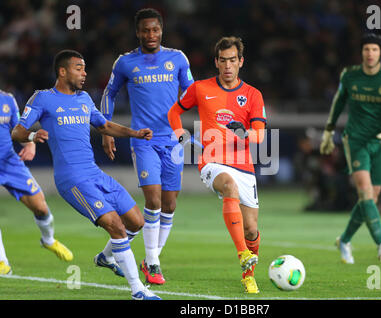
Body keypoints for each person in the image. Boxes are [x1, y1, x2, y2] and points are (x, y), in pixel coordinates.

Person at [11, 49, 160, 300]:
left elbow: (105, 126)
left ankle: (106, 257)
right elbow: (17, 131)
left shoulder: (85, 100)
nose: (84, 73)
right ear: (62, 71)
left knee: (137, 221)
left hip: (94, 172)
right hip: (72, 179)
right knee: (116, 226)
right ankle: (138, 291)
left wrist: (135, 133)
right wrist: (34, 136)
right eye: (78, 68)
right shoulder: (43, 99)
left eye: (84, 68)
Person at [100, 8, 194, 285]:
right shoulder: (126, 62)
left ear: (161, 30)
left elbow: (191, 91)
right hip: (145, 139)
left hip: (172, 140)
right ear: (137, 32)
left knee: (170, 204)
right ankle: (152, 262)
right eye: (145, 30)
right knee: (152, 200)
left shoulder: (177, 58)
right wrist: (106, 130)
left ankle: (136, 256)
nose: (150, 35)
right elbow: (109, 93)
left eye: (155, 29)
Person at [167, 36, 266, 294]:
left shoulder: (253, 95)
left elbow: (260, 135)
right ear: (216, 62)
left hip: (243, 164)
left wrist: (245, 133)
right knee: (229, 187)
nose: (227, 66)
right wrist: (179, 132)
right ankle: (242, 252)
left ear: (241, 62)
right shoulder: (200, 88)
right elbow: (174, 112)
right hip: (212, 161)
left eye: (232, 60)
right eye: (223, 60)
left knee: (252, 229)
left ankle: (248, 276)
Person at [320, 33, 381, 264]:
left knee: (372, 197)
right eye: (367, 49)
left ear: (380, 53)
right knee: (365, 193)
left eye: (375, 50)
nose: (370, 54)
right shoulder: (349, 76)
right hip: (355, 140)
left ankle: (345, 240)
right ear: (362, 53)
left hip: (380, 142)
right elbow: (338, 102)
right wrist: (329, 130)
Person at [0, 90, 73, 275]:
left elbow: (19, 129)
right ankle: (2, 262)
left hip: (9, 162)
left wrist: (30, 143)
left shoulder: (8, 99)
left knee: (40, 206)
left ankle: (48, 240)